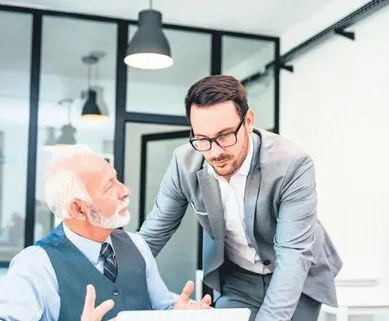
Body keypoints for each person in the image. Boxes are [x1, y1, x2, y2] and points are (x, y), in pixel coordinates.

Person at [137, 75, 343, 321]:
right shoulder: (185, 163)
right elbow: (152, 235)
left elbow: (292, 255)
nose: (215, 152)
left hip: (296, 279)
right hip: (238, 278)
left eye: (225, 136)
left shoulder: (291, 164)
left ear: (248, 121)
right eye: (202, 139)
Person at [0, 145, 211, 321]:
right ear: (78, 208)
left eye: (117, 179)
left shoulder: (137, 245)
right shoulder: (37, 264)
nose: (125, 191)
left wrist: (179, 314)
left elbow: (163, 308)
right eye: (109, 186)